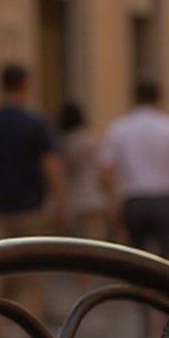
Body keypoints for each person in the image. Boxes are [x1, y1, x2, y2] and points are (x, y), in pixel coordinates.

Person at [99, 80, 169, 338]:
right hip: (163, 204)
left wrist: (114, 201)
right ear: (160, 97)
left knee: (140, 270)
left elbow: (105, 171)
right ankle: (163, 334)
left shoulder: (118, 128)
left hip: (133, 203)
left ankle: (148, 334)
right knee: (167, 269)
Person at [0, 64, 66, 338]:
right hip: (31, 209)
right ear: (26, 85)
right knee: (33, 280)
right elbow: (51, 167)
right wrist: (59, 203)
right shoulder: (37, 123)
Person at [59, 100, 108, 242]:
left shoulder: (65, 142)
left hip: (73, 197)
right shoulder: (88, 139)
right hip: (92, 195)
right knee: (95, 240)